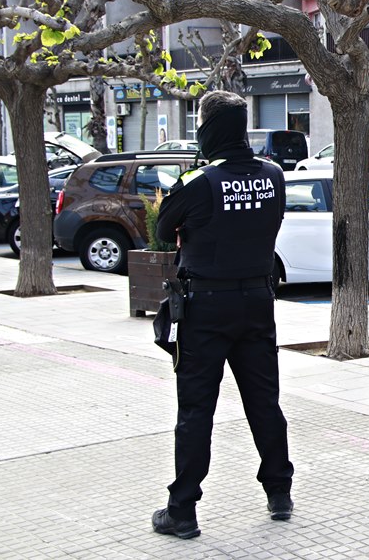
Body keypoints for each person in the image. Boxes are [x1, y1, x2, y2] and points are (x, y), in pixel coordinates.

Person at [151, 90, 293, 539]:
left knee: (196, 410)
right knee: (264, 402)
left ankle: (183, 510)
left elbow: (161, 230)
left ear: (208, 129)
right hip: (257, 300)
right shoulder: (272, 175)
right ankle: (279, 492)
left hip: (206, 306)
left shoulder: (198, 180)